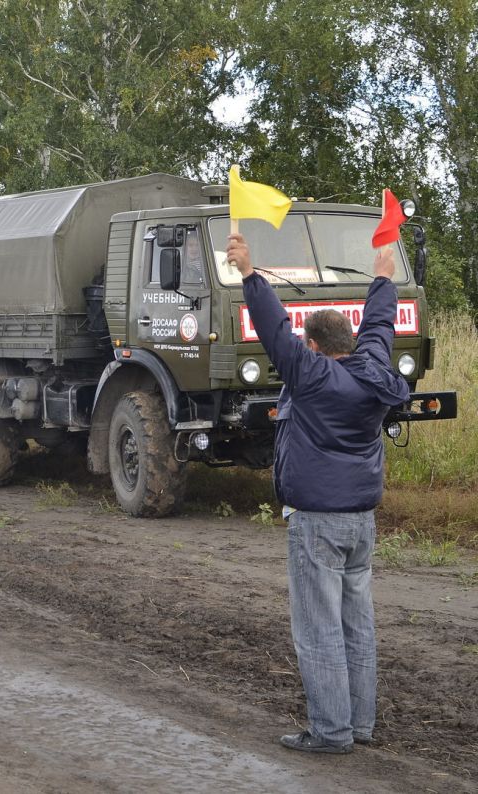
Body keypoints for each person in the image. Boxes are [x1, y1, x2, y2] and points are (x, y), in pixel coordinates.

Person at [225, 232, 409, 754]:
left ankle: (330, 732)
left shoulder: (311, 376)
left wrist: (250, 273)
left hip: (318, 522)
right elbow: (378, 325)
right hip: (360, 521)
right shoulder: (372, 367)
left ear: (314, 347)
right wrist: (381, 276)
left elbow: (273, 329)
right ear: (346, 342)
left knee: (318, 630)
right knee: (357, 624)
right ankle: (360, 724)